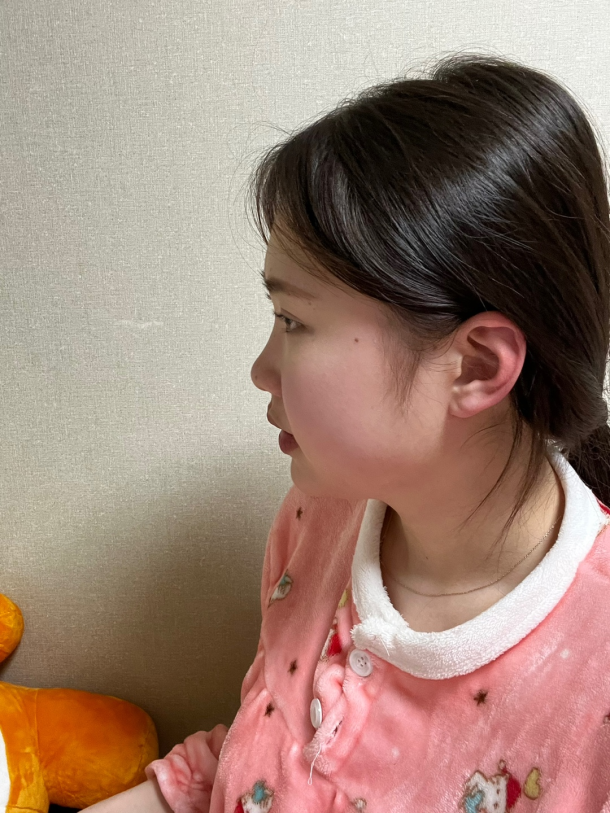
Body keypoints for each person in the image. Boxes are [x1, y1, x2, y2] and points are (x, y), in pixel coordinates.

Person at [84, 51, 610, 813]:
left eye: (294, 320)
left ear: (476, 365)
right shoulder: (319, 515)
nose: (262, 370)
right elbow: (252, 764)